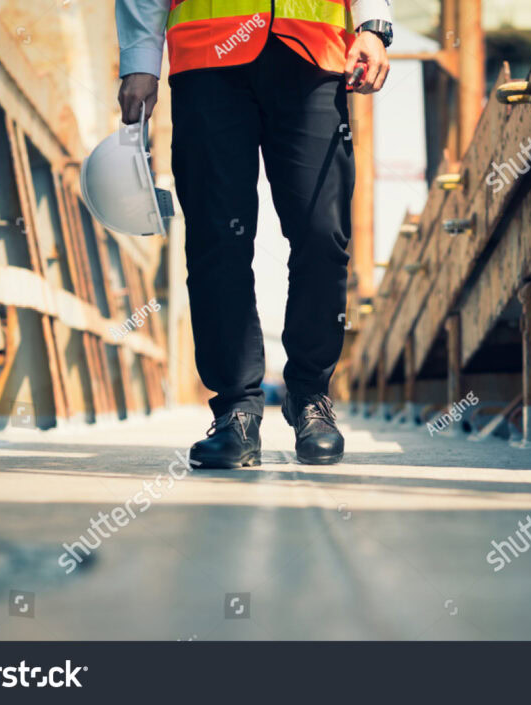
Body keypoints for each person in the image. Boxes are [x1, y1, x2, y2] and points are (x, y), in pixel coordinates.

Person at [116, 1, 393, 467]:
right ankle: (236, 410)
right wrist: (141, 59)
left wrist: (374, 25)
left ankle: (309, 397)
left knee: (322, 231)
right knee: (217, 239)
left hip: (313, 53)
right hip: (207, 57)